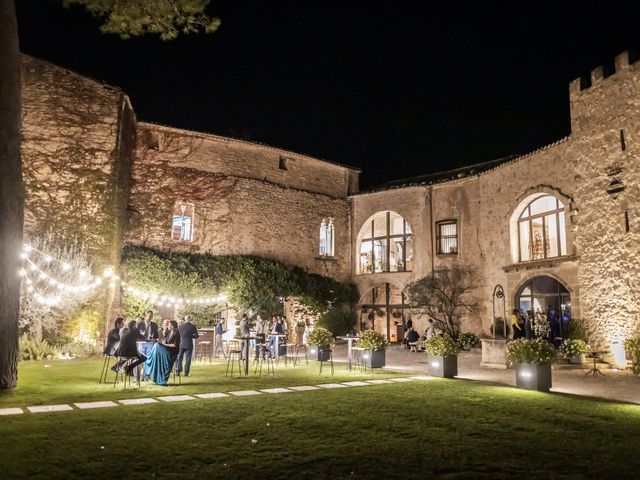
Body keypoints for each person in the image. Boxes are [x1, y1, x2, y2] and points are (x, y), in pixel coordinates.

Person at [144, 320, 181, 386]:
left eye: (169, 325)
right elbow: (164, 340)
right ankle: (151, 360)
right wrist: (160, 341)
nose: (168, 326)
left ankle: (149, 360)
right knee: (156, 345)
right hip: (166, 350)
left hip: (172, 353)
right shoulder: (169, 332)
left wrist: (165, 345)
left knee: (157, 346)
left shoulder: (177, 333)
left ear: (172, 326)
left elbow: (175, 345)